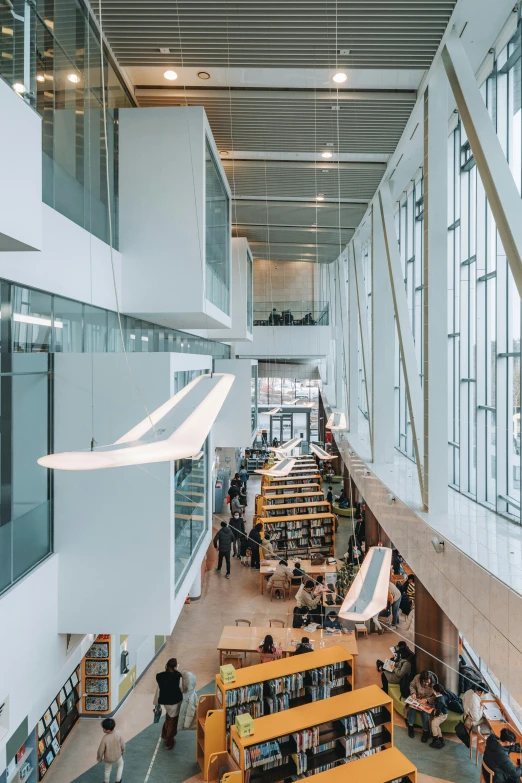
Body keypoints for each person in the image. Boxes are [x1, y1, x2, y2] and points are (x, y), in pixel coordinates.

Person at [154, 658, 184, 749]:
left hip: (165, 702)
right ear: (175, 667)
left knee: (168, 717)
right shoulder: (178, 676)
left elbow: (158, 690)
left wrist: (156, 703)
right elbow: (181, 689)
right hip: (174, 703)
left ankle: (164, 734)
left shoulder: (160, 676)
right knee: (172, 721)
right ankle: (169, 741)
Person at [407, 670, 437, 741]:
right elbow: (412, 686)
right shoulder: (417, 678)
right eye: (425, 682)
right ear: (422, 680)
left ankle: (425, 731)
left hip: (427, 701)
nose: (427, 683)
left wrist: (426, 700)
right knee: (412, 709)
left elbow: (436, 696)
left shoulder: (434, 682)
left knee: (424, 713)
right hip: (417, 698)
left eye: (428, 682)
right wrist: (413, 693)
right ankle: (410, 727)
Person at [97, 718, 125, 783]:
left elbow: (100, 750)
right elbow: (122, 744)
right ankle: (118, 780)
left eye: (104, 728)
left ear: (108, 730)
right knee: (120, 765)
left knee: (107, 770)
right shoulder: (118, 733)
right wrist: (122, 751)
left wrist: (99, 758)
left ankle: (106, 781)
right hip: (118, 756)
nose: (103, 729)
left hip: (108, 758)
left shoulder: (105, 738)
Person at [430, 683, 448, 749]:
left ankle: (435, 738)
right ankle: (440, 738)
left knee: (434, 723)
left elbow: (438, 709)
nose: (433, 691)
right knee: (436, 725)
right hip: (442, 713)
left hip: (442, 715)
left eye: (433, 690)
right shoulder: (439, 697)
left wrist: (435, 715)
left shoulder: (440, 699)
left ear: (437, 691)